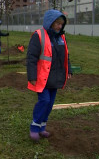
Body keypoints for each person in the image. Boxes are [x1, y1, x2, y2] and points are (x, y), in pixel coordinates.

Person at [26, 9, 72, 142]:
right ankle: (34, 127)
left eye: (61, 24)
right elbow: (31, 58)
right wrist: (32, 76)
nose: (59, 26)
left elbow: (66, 55)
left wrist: (68, 69)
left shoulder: (61, 37)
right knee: (44, 101)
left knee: (50, 103)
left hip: (56, 77)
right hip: (43, 77)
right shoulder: (39, 35)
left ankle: (42, 127)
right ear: (50, 22)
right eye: (57, 23)